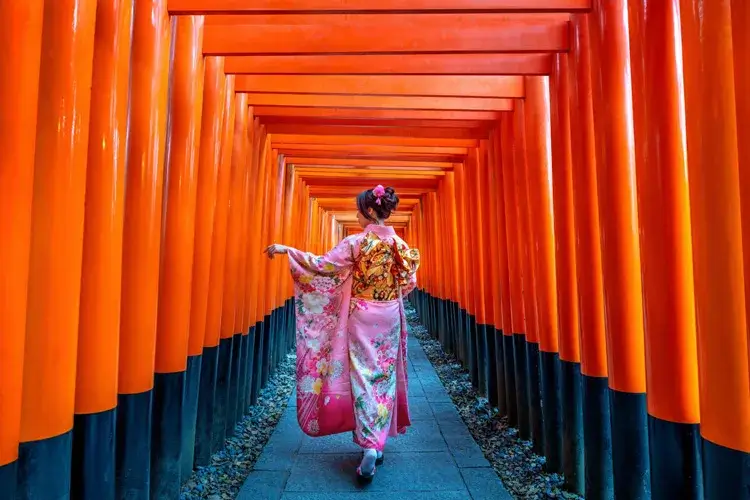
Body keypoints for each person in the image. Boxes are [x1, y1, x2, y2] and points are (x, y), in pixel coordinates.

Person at [265, 185, 420, 483]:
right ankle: (376, 441)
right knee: (383, 376)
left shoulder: (355, 243)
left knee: (362, 374)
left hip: (362, 313)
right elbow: (409, 282)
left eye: (360, 211)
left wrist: (290, 251)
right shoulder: (400, 245)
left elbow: (323, 266)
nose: (358, 216)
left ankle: (369, 447)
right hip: (389, 314)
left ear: (371, 212)